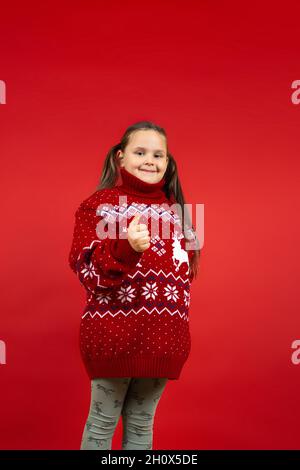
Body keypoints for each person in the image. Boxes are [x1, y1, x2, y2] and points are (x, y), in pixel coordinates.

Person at [68, 121, 201, 450]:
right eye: (140, 152)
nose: (149, 160)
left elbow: (182, 281)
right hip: (113, 337)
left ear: (167, 163)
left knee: (142, 423)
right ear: (120, 157)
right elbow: (89, 274)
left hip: (164, 342)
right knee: (102, 424)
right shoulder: (99, 206)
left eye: (159, 154)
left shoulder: (179, 213)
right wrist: (127, 248)